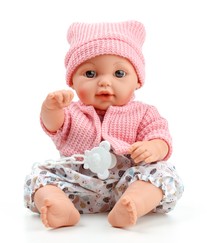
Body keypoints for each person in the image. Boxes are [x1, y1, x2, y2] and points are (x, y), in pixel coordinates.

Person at [24, 20, 184, 229]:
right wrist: (51, 108)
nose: (104, 82)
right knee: (38, 177)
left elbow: (160, 135)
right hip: (78, 184)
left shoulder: (143, 112)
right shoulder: (71, 111)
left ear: (138, 80)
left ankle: (134, 202)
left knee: (164, 173)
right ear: (72, 81)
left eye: (119, 73)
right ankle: (59, 206)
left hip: (126, 181)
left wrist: (154, 147)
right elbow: (53, 125)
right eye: (90, 74)